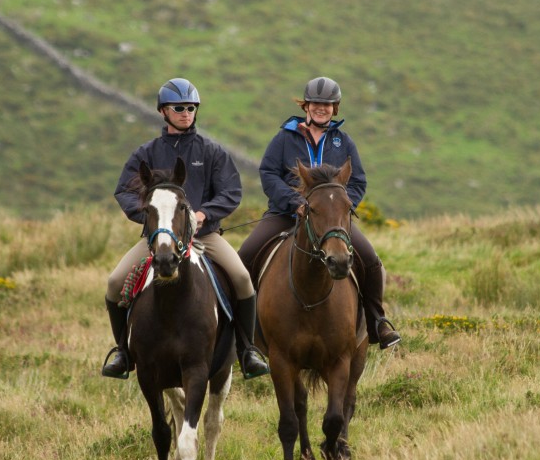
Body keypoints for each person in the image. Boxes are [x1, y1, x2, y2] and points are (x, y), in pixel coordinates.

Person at [101, 77, 270, 380]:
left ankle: (247, 350)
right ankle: (123, 352)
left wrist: (205, 214)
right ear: (163, 111)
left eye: (191, 107)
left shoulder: (212, 151)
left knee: (243, 279)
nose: (186, 113)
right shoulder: (146, 153)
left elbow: (231, 191)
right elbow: (124, 192)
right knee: (114, 283)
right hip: (159, 239)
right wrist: (154, 220)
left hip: (205, 237)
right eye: (179, 107)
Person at [237, 76, 401, 349]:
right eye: (315, 104)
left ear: (335, 108)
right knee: (245, 257)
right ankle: (242, 335)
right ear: (306, 106)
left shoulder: (343, 142)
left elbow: (357, 181)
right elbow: (268, 173)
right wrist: (294, 202)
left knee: (371, 261)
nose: (321, 108)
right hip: (286, 214)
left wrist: (342, 209)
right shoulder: (284, 138)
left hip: (331, 220)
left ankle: (378, 322)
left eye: (326, 104)